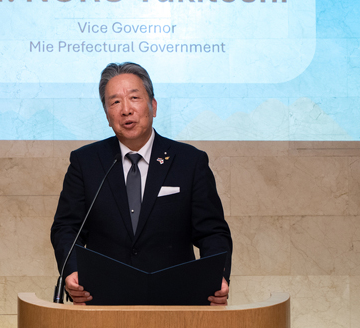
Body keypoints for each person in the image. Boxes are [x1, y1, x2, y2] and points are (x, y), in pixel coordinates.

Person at [50, 62, 232, 305]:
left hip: (176, 300)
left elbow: (212, 232)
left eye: (134, 98)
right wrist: (72, 269)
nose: (126, 110)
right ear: (107, 115)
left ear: (153, 106)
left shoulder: (189, 161)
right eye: (115, 102)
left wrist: (216, 275)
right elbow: (66, 228)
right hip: (103, 298)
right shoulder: (86, 162)